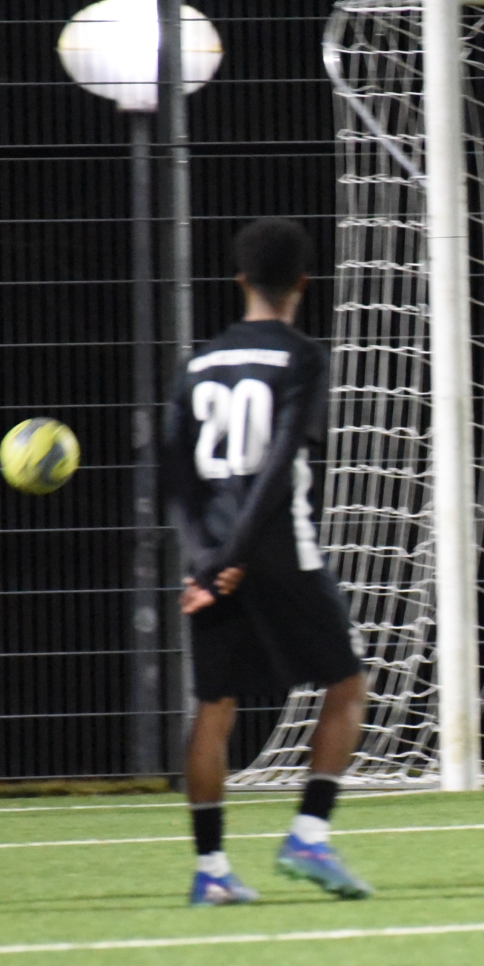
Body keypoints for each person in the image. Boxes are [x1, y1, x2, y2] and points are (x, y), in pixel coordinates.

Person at [160, 217, 374, 906]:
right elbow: (279, 465)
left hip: (213, 553)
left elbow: (174, 476)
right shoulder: (301, 356)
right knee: (347, 684)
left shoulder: (197, 363)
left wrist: (205, 561)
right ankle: (308, 833)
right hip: (280, 548)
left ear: (240, 279)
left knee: (213, 705)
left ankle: (211, 870)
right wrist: (236, 557)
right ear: (302, 283)